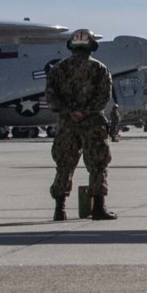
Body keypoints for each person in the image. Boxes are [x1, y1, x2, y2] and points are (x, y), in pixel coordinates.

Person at [45, 29, 117, 221]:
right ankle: (98, 208)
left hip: (67, 123)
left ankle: (59, 209)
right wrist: (85, 111)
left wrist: (69, 111)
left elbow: (51, 97)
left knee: (64, 165)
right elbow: (104, 97)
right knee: (98, 164)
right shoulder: (100, 69)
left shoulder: (58, 69)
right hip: (92, 122)